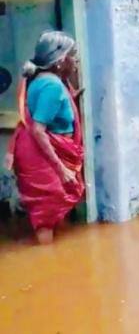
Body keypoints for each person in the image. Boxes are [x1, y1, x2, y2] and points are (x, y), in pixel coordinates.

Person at [4, 31, 85, 245]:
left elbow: (46, 109)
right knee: (46, 217)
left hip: (38, 150)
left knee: (54, 209)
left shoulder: (41, 80)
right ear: (60, 61)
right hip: (43, 154)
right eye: (73, 55)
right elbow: (39, 129)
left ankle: (57, 259)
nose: (76, 60)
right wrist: (61, 168)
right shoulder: (52, 86)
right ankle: (48, 260)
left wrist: (70, 97)